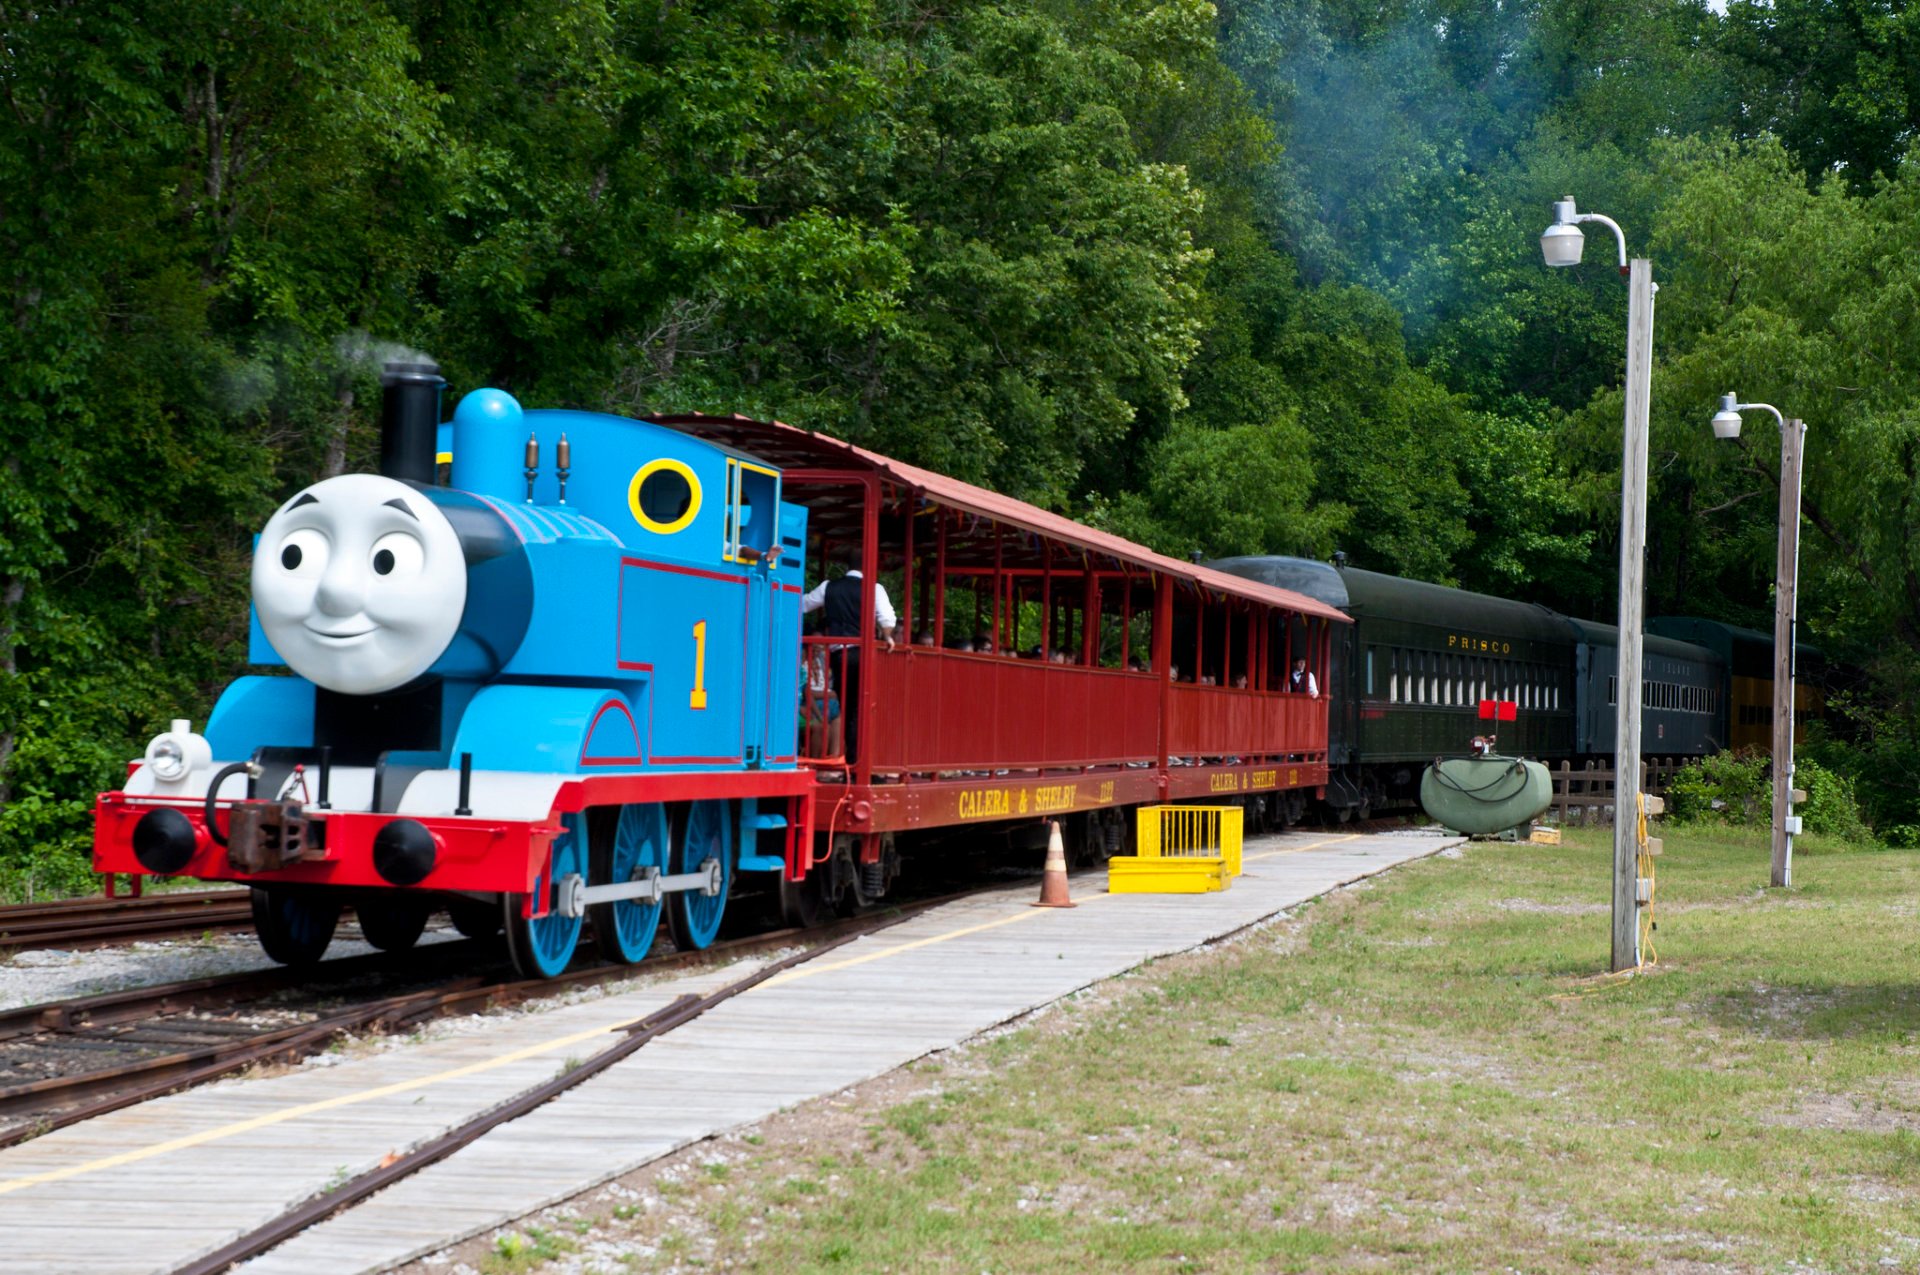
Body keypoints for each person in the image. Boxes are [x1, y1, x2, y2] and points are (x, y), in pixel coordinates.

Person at [801, 561, 897, 762]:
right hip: (862, 654)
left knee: (848, 706)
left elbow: (803, 604)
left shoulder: (828, 586)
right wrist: (887, 636)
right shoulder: (874, 588)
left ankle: (853, 760)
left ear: (847, 568)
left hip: (839, 655)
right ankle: (859, 761)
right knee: (863, 707)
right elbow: (887, 618)